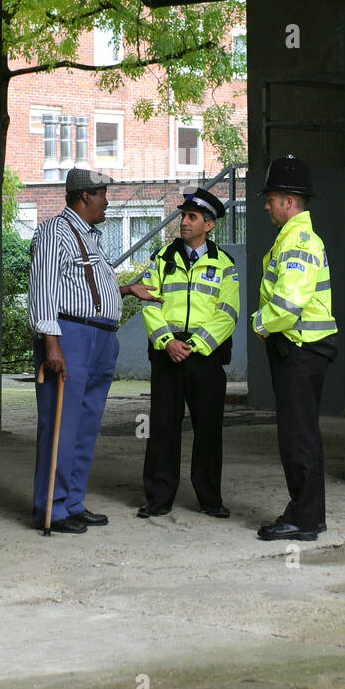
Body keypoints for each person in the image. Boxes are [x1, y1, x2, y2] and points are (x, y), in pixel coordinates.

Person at [28, 168, 161, 533]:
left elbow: (84, 291)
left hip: (98, 337)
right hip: (69, 336)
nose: (108, 200)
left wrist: (127, 290)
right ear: (85, 196)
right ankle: (51, 510)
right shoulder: (56, 231)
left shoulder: (90, 236)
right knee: (61, 425)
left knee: (84, 426)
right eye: (103, 193)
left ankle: (71, 502)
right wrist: (51, 341)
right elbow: (44, 288)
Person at [136, 188, 241, 518]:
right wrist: (167, 341)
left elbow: (228, 312)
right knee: (163, 427)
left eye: (191, 217)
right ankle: (158, 498)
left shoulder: (224, 265)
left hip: (205, 357)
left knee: (208, 429)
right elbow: (148, 302)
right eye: (183, 216)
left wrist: (194, 346)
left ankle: (210, 499)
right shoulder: (161, 258)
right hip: (167, 354)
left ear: (208, 225)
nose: (184, 221)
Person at [252, 156, 338, 542]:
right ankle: (310, 515)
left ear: (289, 200)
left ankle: (302, 519)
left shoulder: (299, 241)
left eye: (270, 198)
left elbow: (288, 304)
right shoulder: (295, 238)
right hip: (303, 350)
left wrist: (259, 323)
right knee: (304, 434)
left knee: (296, 437)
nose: (266, 205)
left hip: (299, 349)